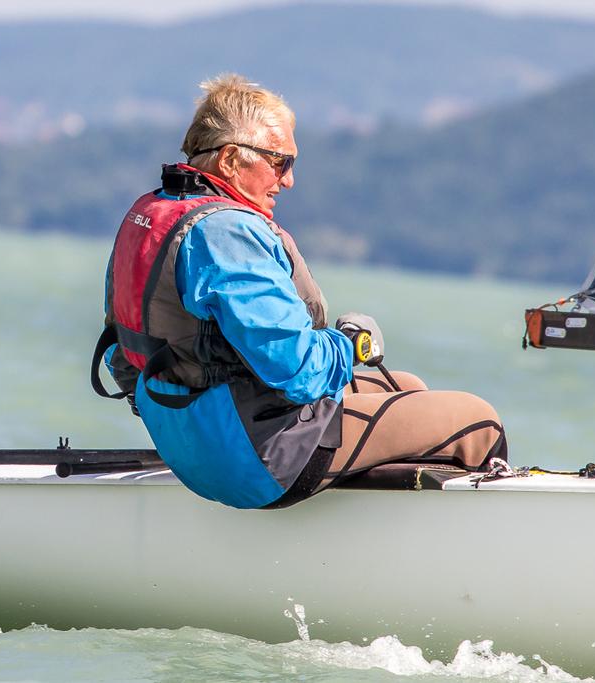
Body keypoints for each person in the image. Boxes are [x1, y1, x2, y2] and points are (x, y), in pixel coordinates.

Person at [93, 74, 506, 509]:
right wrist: (346, 344)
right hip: (257, 458)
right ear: (232, 159)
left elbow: (121, 355)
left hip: (192, 437)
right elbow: (297, 369)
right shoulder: (226, 233)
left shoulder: (156, 212)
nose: (287, 181)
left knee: (405, 387)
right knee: (479, 422)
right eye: (280, 162)